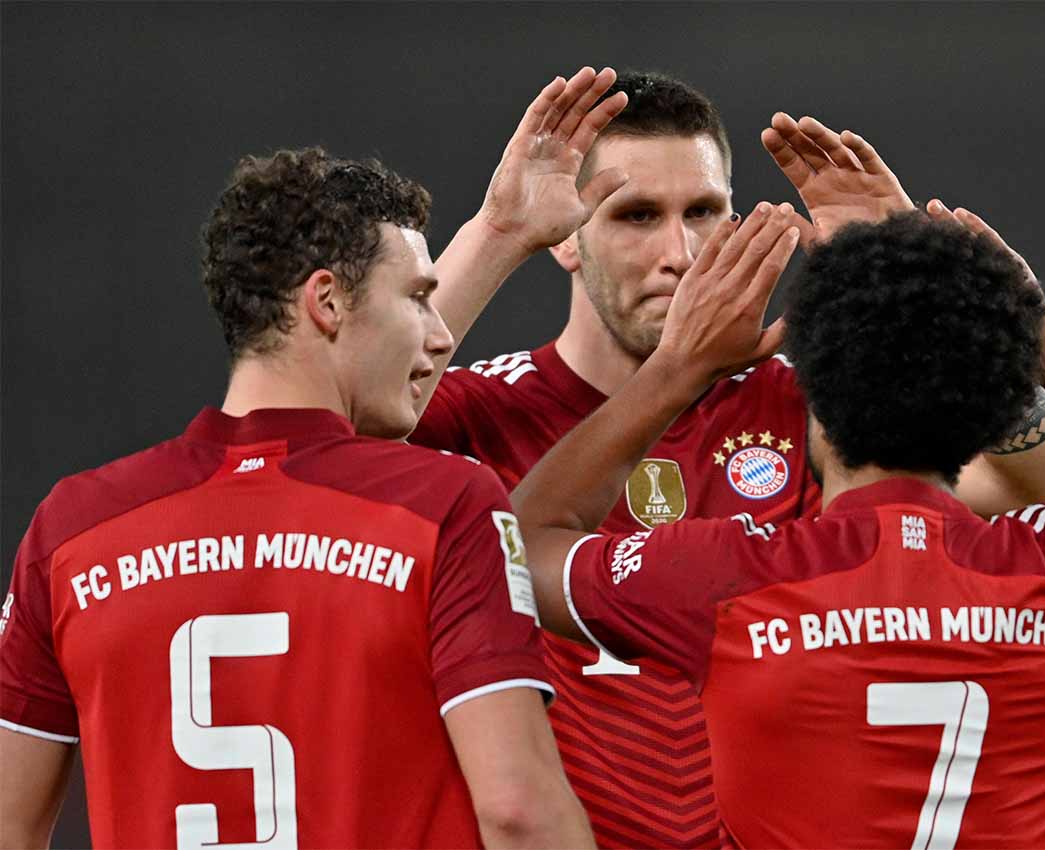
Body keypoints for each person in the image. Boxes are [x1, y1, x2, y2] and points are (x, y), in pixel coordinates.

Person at [409, 70, 1045, 847]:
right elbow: (339, 434)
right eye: (637, 215)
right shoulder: (479, 408)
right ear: (566, 235)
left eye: (704, 213)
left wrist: (928, 281)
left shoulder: (805, 404)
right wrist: (499, 232)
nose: (679, 253)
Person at [0, 69, 620, 849]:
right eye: (416, 299)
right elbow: (519, 814)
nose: (439, 335)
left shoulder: (73, 528)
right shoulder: (444, 506)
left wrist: (498, 232)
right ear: (325, 302)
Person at [509, 203, 1045, 847]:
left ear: (817, 399)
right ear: (995, 396)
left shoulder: (730, 578)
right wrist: (1022, 319)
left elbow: (524, 541)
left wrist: (677, 369)